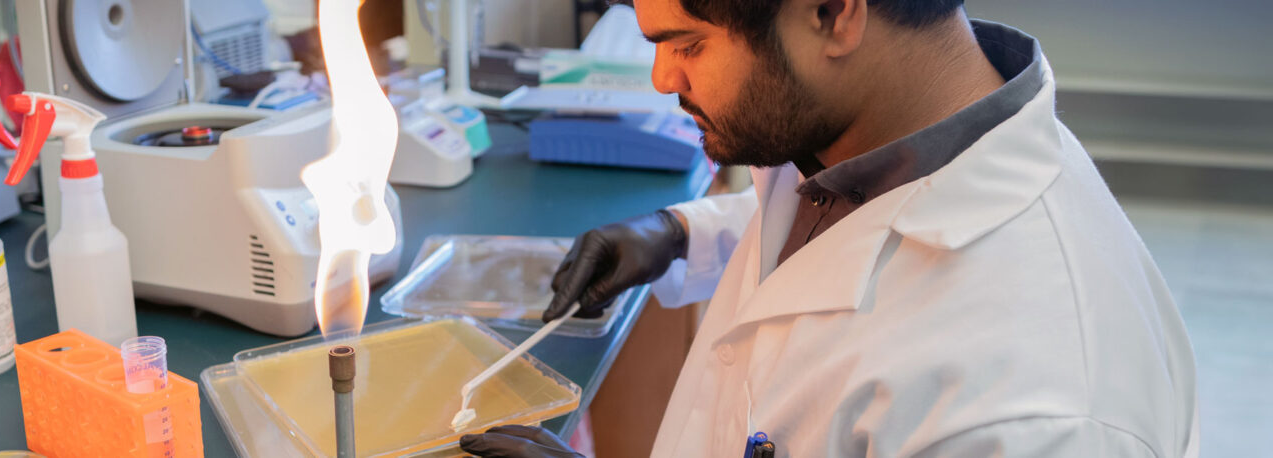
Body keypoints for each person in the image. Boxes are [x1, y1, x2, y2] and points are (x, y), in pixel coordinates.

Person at [460, 0, 1200, 456]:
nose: (661, 79)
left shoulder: (1032, 410)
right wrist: (681, 231)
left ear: (833, 11)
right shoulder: (896, 136)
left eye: (687, 44)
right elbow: (847, 226)